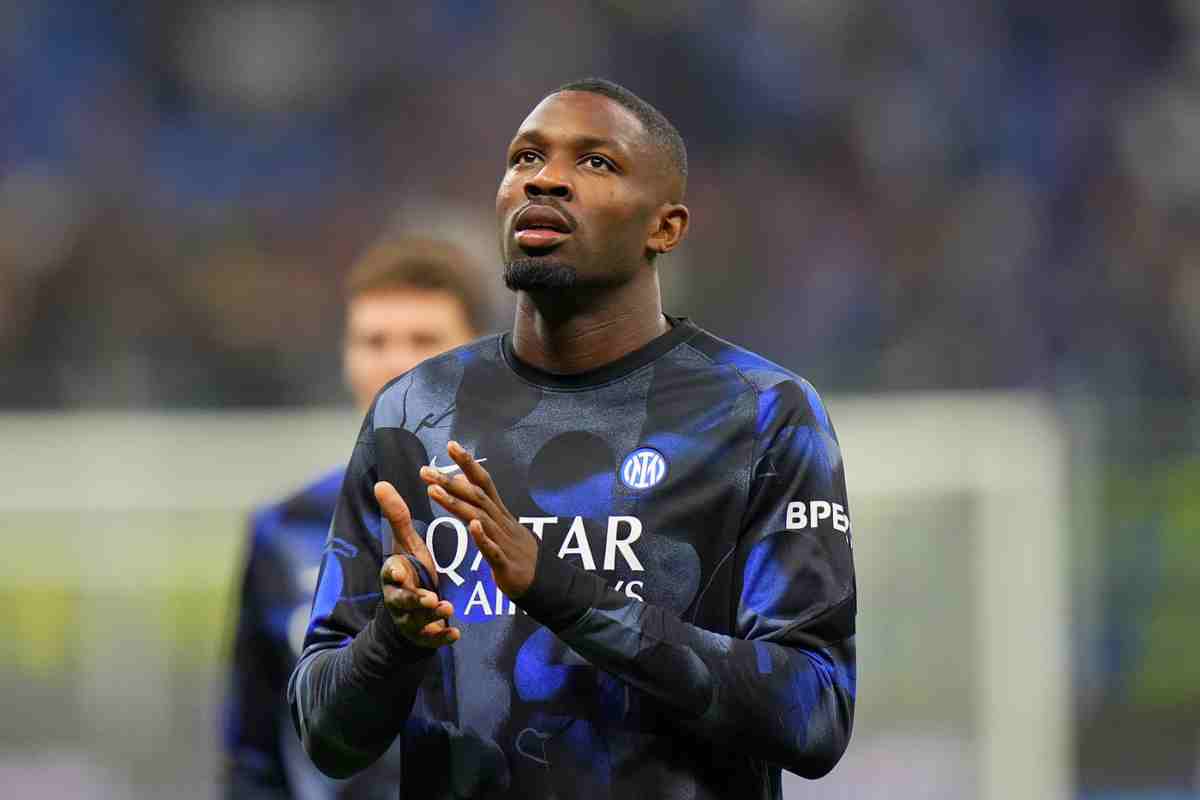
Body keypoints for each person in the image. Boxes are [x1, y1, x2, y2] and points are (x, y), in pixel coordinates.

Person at [289, 78, 857, 799]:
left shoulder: (762, 415)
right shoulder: (416, 410)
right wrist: (391, 642)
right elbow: (326, 740)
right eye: (525, 157)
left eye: (596, 163)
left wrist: (560, 591)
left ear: (666, 227)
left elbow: (815, 715)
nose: (546, 178)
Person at [223, 237, 487, 799]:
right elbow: (254, 751)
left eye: (424, 340)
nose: (395, 361)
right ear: (346, 356)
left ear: (478, 354)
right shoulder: (284, 529)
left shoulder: (526, 521)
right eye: (373, 341)